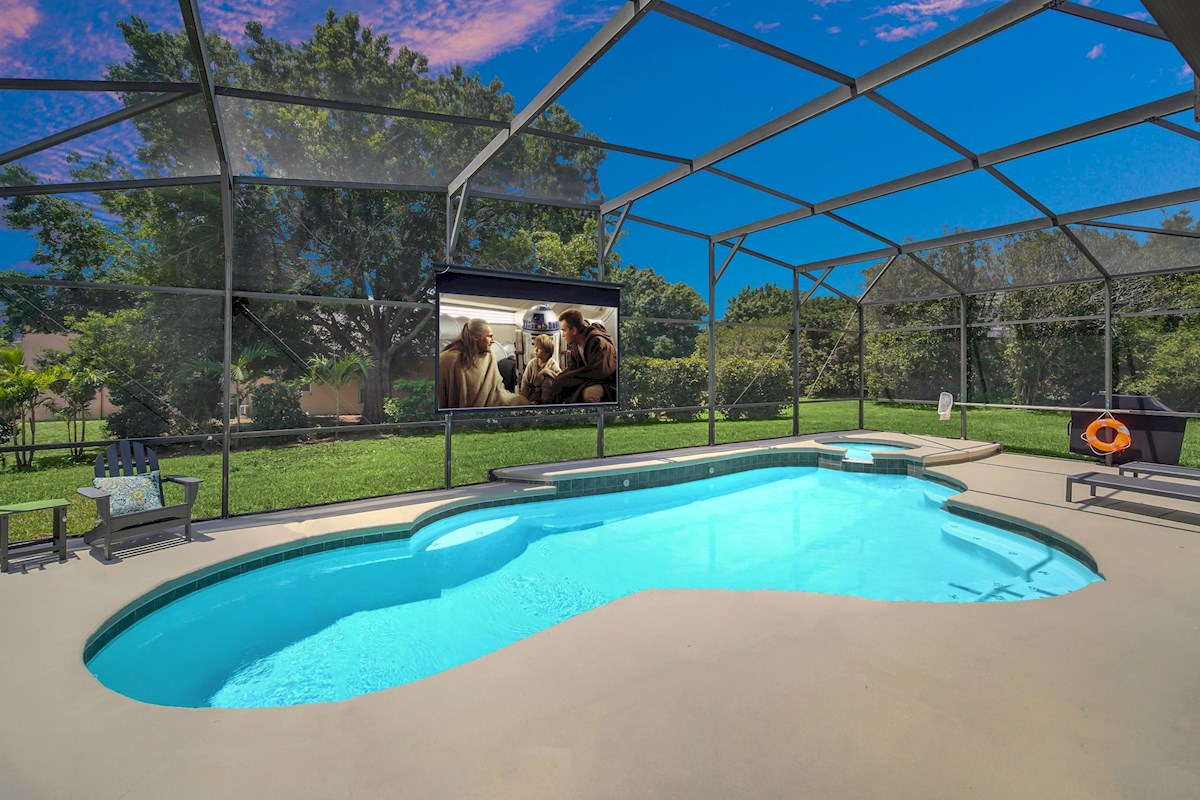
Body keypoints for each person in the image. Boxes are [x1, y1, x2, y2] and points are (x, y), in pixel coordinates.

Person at [438, 319, 530, 409]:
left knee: (522, 402)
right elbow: (440, 396)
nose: (493, 340)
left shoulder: (490, 355)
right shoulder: (448, 359)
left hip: (492, 401)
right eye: (489, 336)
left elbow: (497, 388)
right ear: (476, 337)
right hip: (457, 413)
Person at [547, 308, 617, 404]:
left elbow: (601, 371)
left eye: (564, 330)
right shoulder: (576, 345)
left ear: (574, 330)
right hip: (591, 378)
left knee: (589, 394)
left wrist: (568, 379)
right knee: (559, 382)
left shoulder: (597, 341)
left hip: (608, 383)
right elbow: (574, 367)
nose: (562, 335)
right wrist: (561, 378)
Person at [519, 334, 561, 404]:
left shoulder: (553, 364)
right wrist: (525, 401)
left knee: (548, 380)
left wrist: (546, 371)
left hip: (548, 398)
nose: (535, 350)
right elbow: (525, 383)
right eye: (535, 347)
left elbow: (560, 377)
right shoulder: (532, 364)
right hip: (533, 397)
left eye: (539, 348)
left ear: (547, 351)